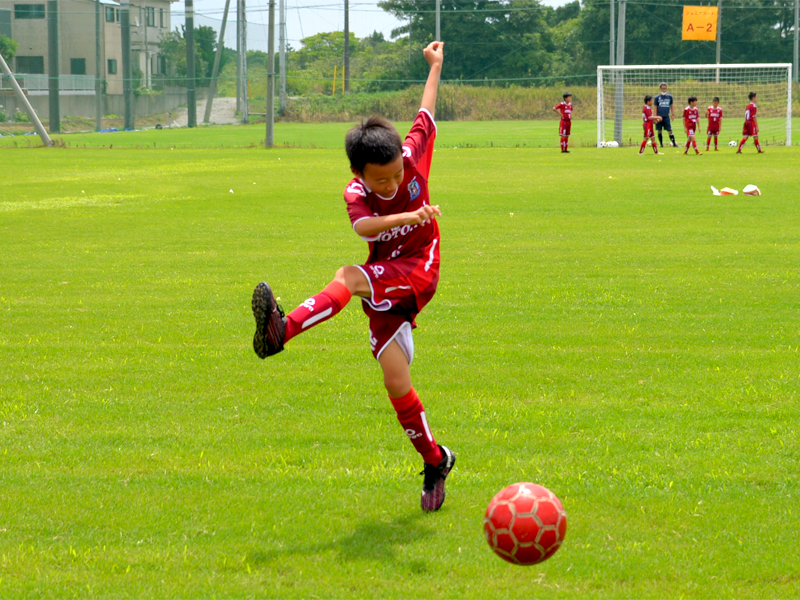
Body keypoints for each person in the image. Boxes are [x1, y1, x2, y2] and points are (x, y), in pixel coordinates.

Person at [250, 41, 455, 513]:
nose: (391, 184)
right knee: (396, 382)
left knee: (350, 274)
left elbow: (426, 109)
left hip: (420, 265)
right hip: (388, 269)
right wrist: (405, 217)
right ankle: (435, 459)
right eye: (379, 180)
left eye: (395, 175)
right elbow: (363, 226)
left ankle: (282, 330)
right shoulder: (356, 191)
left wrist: (436, 66)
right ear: (358, 173)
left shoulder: (412, 153)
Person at [654, 83, 677, 148]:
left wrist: (673, 114)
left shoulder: (669, 97)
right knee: (659, 130)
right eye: (663, 88)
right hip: (659, 116)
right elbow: (655, 107)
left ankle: (674, 143)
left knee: (669, 130)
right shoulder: (657, 97)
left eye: (665, 88)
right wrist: (655, 117)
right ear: (660, 89)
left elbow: (672, 106)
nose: (664, 89)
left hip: (666, 116)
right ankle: (661, 144)